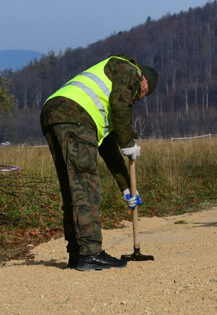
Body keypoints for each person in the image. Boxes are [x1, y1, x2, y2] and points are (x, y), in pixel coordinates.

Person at [40, 54, 158, 270]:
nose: (139, 98)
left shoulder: (105, 94)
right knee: (86, 186)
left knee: (72, 186)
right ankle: (91, 253)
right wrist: (128, 142)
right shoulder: (128, 70)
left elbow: (108, 149)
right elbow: (121, 106)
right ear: (144, 81)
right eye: (144, 93)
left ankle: (77, 253)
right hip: (75, 116)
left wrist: (126, 188)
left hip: (54, 113)